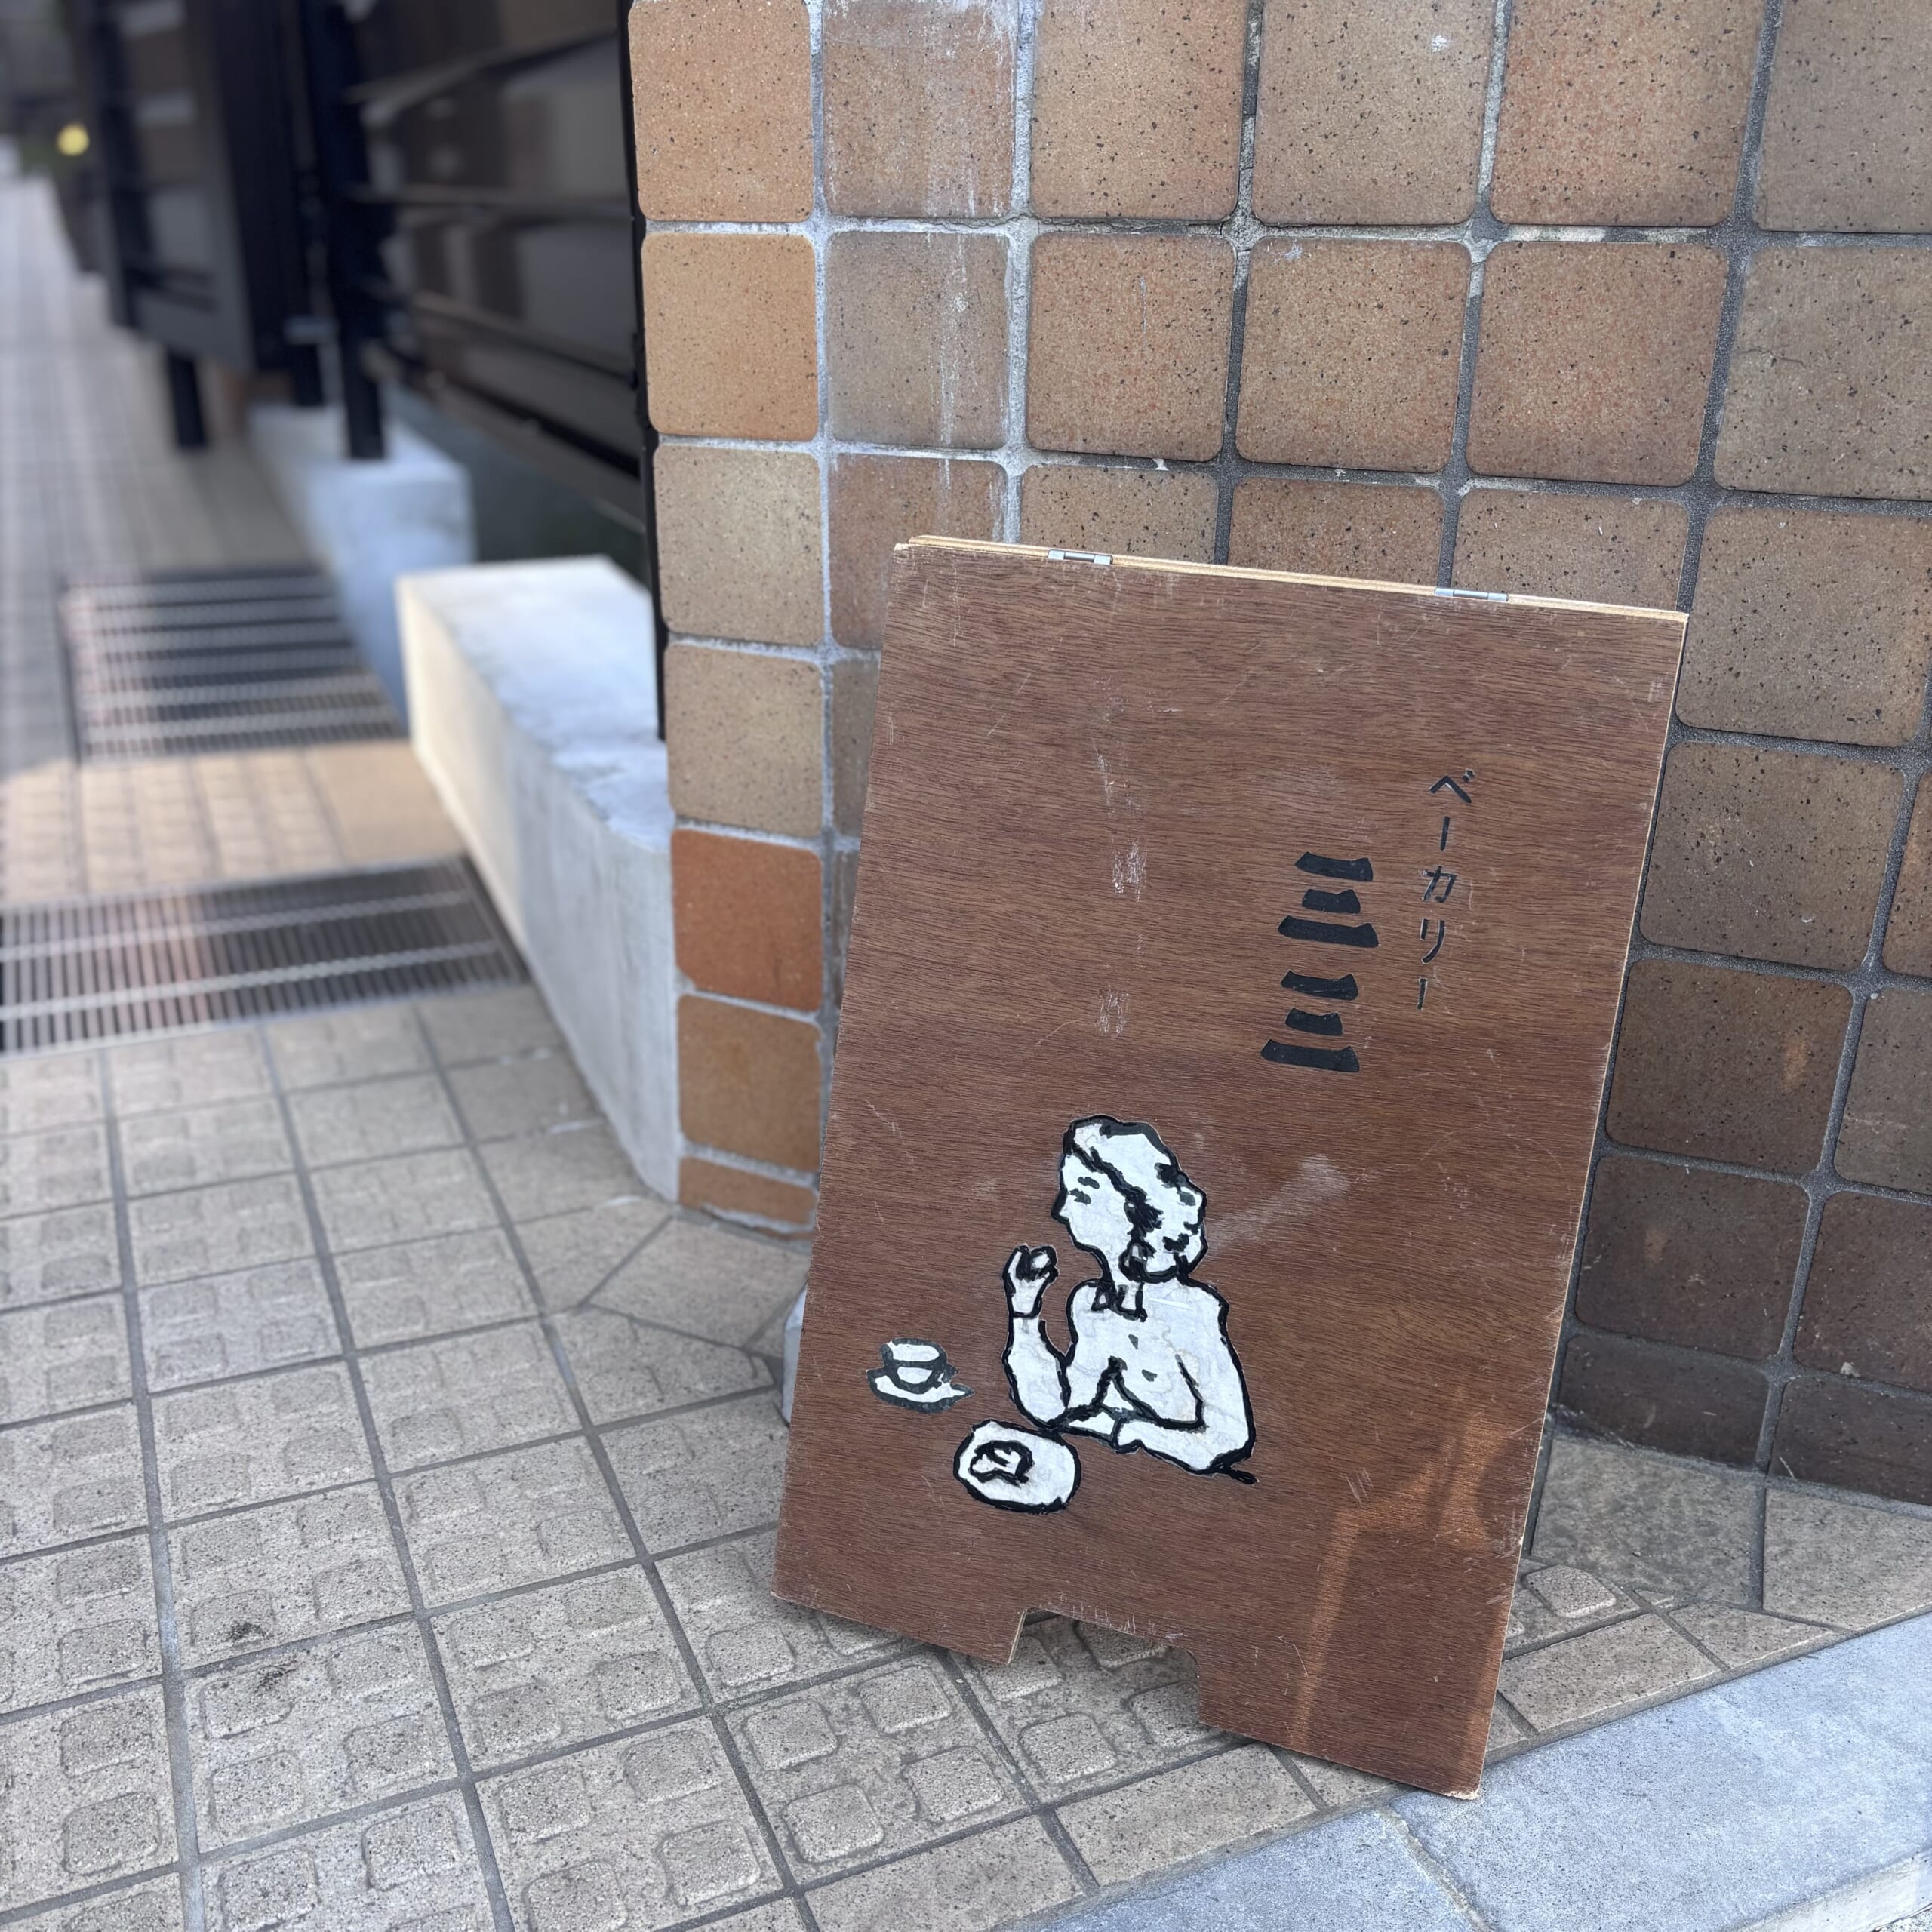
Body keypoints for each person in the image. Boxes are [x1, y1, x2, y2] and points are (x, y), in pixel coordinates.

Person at [1002, 1116, 1254, 1479]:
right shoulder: (1091, 1304)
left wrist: (1131, 1430)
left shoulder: (1191, 1311)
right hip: (1125, 1481)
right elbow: (1057, 1407)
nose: (1061, 1210)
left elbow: (1229, 1437)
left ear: (1135, 1211)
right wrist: (1023, 1311)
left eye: (1080, 1195)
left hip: (1195, 1492)